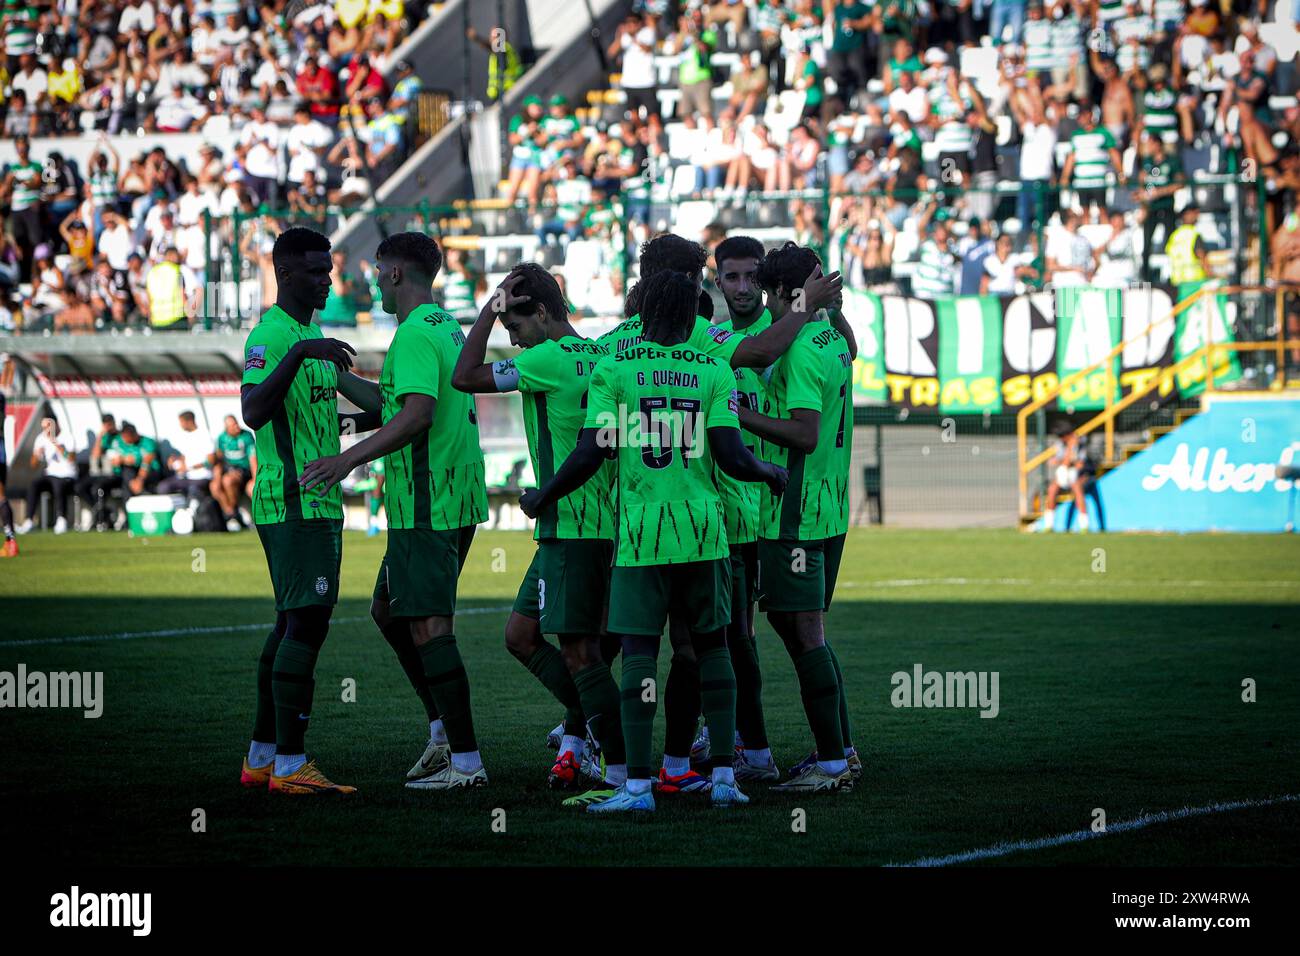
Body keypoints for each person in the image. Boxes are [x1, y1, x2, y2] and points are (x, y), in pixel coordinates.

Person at [519, 270, 790, 814]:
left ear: (644, 313)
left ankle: (637, 786)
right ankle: (720, 779)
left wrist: (544, 494)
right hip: (704, 533)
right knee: (713, 648)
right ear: (692, 313)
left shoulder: (616, 368)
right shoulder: (713, 369)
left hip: (642, 535)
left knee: (640, 653)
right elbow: (732, 457)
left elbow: (592, 451)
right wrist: (768, 473)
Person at [298, 232, 490, 791]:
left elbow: (418, 416)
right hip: (453, 494)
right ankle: (441, 730)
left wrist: (345, 459)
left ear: (395, 273)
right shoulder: (444, 325)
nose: (372, 280)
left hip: (427, 497)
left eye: (377, 270)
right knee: (388, 610)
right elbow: (395, 404)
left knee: (430, 626)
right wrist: (338, 378)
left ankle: (467, 760)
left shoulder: (411, 334)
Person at [451, 264, 624, 793]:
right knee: (522, 636)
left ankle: (620, 763)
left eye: (516, 326)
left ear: (543, 312)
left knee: (579, 652)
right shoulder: (599, 353)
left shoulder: (546, 358)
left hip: (574, 523)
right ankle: (601, 727)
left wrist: (484, 314)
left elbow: (465, 377)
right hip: (587, 525)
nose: (514, 338)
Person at [734, 243, 859, 792]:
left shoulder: (802, 348)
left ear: (778, 295)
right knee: (796, 626)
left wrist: (746, 416)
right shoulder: (833, 337)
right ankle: (841, 749)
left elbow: (805, 435)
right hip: (829, 509)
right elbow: (849, 343)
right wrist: (823, 305)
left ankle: (832, 763)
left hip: (795, 514)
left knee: (804, 633)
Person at [237, 226, 358, 797]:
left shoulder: (311, 333)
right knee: (307, 621)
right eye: (315, 272)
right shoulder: (272, 334)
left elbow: (335, 416)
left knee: (291, 621)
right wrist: (303, 352)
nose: (325, 280)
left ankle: (262, 757)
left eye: (327, 270)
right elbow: (254, 411)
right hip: (291, 500)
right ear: (285, 274)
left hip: (318, 499)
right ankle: (290, 763)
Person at [17, 417, 77, 534]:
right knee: (34, 484)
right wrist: (37, 455)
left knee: (58, 484)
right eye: (44, 427)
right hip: (50, 474)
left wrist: (55, 442)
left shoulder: (67, 436)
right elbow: (33, 464)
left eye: (49, 426)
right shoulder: (41, 438)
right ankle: (29, 520)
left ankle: (61, 520)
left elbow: (71, 458)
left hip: (67, 475)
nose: (46, 430)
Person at [75, 413, 120, 531]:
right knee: (79, 487)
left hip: (114, 474)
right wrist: (100, 435)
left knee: (97, 489)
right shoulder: (104, 438)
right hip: (101, 473)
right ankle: (103, 511)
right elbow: (95, 456)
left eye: (110, 424)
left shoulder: (120, 437)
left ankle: (101, 519)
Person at [1041, 424, 1089, 532]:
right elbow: (1058, 461)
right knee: (1052, 490)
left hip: (1077, 474)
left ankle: (1084, 525)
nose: (1062, 439)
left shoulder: (1080, 443)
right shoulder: (1060, 443)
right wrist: (1065, 459)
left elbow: (1080, 464)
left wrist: (1071, 448)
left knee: (1078, 491)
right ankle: (1049, 525)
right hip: (1064, 472)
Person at [157, 411, 214, 500]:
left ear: (189, 421)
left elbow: (211, 460)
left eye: (181, 422)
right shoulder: (184, 436)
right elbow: (185, 456)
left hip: (201, 477)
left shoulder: (204, 435)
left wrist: (189, 468)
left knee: (193, 491)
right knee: (162, 487)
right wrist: (174, 459)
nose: (180, 425)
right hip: (184, 476)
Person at [212, 414, 256, 531]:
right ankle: (231, 514)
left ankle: (234, 513)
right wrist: (216, 480)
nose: (237, 427)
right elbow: (219, 460)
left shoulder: (246, 436)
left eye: (236, 423)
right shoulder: (222, 438)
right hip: (230, 471)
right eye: (232, 426)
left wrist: (256, 480)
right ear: (226, 429)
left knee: (229, 481)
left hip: (245, 472)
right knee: (214, 487)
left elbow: (253, 459)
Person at [1166, 203, 1211, 300]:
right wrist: (1211, 278)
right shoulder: (1194, 235)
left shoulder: (1174, 236)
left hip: (1177, 284)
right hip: (1194, 284)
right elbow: (1202, 258)